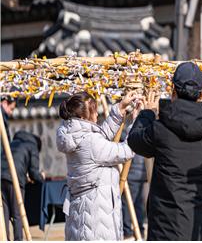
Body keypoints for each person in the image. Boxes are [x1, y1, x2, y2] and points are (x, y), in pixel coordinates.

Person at [127, 62, 202, 240]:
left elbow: (135, 141)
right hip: (199, 228)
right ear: (201, 94)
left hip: (165, 227)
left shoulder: (160, 128)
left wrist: (147, 114)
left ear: (173, 92)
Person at [56, 91, 142, 241]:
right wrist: (137, 122)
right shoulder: (90, 142)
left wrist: (120, 108)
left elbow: (101, 136)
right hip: (96, 219)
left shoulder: (73, 134)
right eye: (94, 112)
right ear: (83, 117)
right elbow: (126, 151)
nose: (97, 115)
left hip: (83, 215)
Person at [1, 131, 44, 240]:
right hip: (14, 179)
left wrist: (25, 178)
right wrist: (41, 177)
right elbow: (34, 172)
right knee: (17, 214)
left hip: (1, 175)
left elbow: (16, 163)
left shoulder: (13, 142)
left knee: (4, 213)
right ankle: (18, 240)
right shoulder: (33, 145)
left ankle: (4, 239)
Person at [122, 154, 147, 239]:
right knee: (138, 204)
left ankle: (127, 231)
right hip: (140, 174)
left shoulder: (130, 140)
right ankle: (140, 230)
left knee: (127, 204)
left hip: (132, 173)